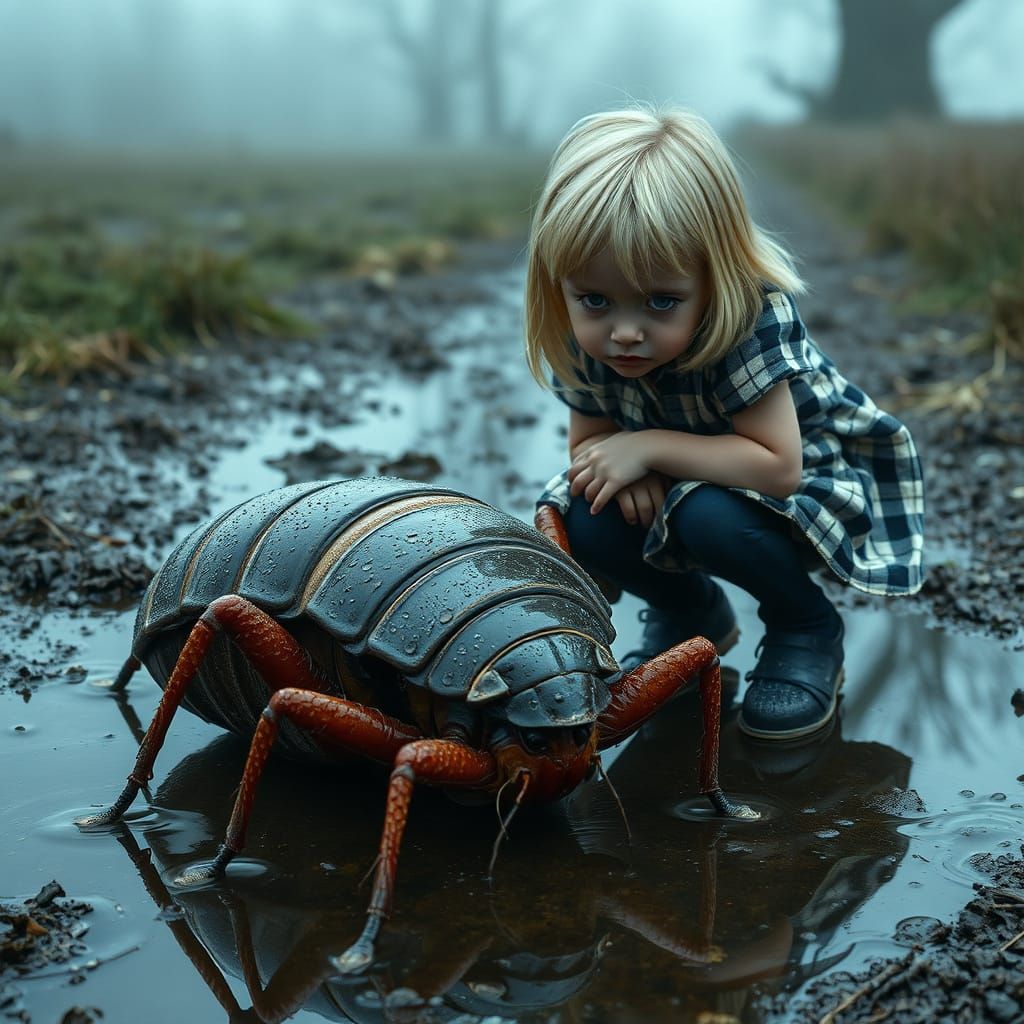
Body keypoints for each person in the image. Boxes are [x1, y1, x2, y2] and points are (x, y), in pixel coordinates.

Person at [524, 106, 925, 742]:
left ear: (715, 276)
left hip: (797, 481)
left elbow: (777, 466)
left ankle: (805, 627)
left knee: (703, 514)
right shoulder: (585, 336)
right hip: (697, 473)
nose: (625, 332)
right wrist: (620, 466)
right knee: (585, 507)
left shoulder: (747, 323)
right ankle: (689, 615)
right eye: (594, 299)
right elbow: (591, 445)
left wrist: (648, 446)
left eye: (662, 301)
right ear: (562, 283)